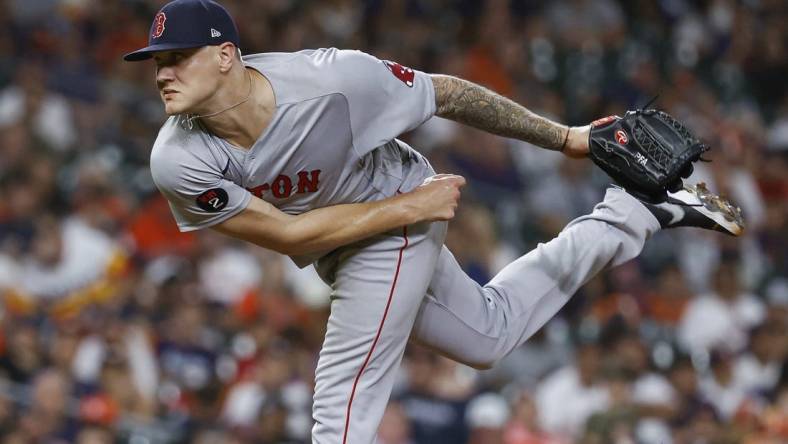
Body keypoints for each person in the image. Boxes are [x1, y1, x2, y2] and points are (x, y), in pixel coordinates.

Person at [123, 1, 743, 442]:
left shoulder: (331, 80)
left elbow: (443, 92)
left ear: (227, 55)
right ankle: (636, 211)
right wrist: (407, 209)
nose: (162, 72)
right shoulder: (177, 159)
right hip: (371, 224)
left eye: (178, 56)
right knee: (487, 335)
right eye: (156, 61)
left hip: (394, 212)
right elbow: (287, 235)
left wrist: (565, 138)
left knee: (342, 400)